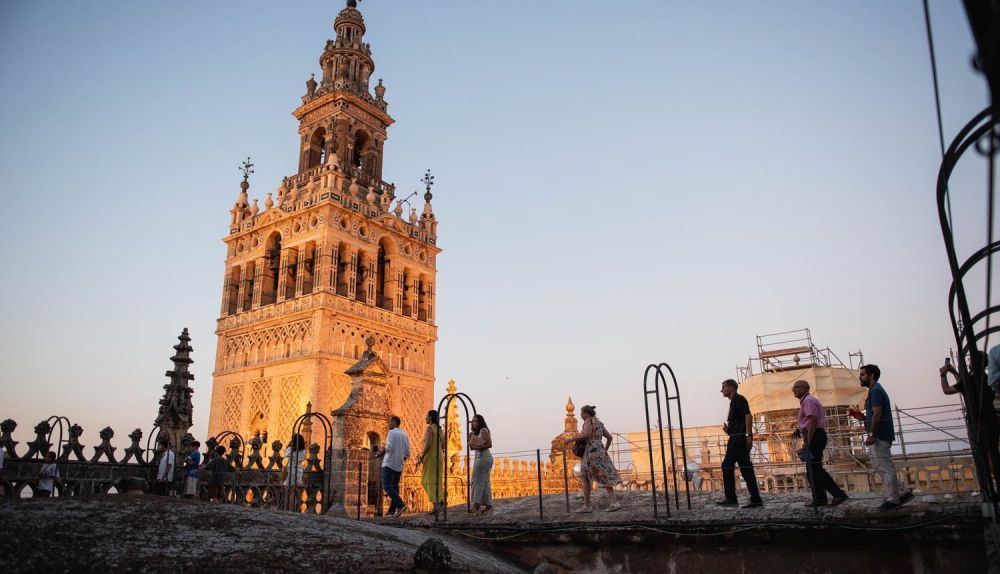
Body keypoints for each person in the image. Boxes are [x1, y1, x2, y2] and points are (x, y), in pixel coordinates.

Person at [860, 364, 914, 510]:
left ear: (872, 376)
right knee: (878, 465)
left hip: (879, 435)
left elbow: (878, 413)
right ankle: (901, 492)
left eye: (863, 374)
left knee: (884, 466)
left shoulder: (876, 391)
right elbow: (874, 414)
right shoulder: (874, 391)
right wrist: (863, 418)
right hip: (878, 434)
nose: (861, 377)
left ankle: (893, 499)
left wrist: (871, 434)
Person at [792, 380, 849, 507]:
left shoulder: (808, 401)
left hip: (815, 435)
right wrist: (800, 429)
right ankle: (820, 498)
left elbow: (812, 421)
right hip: (814, 435)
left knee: (815, 468)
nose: (794, 390)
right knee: (812, 468)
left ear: (804, 389)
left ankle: (838, 494)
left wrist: (808, 442)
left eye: (797, 388)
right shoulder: (807, 401)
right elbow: (808, 421)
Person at [564, 405, 621, 513]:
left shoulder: (588, 421)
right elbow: (609, 438)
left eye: (582, 413)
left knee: (586, 477)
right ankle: (613, 502)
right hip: (600, 451)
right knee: (603, 476)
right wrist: (604, 449)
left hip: (590, 452)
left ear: (586, 413)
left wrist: (570, 440)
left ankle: (588, 506)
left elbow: (586, 434)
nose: (581, 415)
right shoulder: (599, 423)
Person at [716, 379, 763, 508]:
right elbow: (739, 421)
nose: (722, 390)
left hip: (738, 440)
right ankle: (755, 498)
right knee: (745, 468)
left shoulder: (738, 399)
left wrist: (748, 435)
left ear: (731, 387)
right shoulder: (734, 401)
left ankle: (732, 498)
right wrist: (729, 430)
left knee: (728, 466)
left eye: (724, 387)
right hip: (736, 437)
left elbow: (748, 416)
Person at [373, 415, 410, 517]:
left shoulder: (392, 433)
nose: (388, 424)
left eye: (389, 422)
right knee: (394, 487)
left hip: (389, 464)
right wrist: (400, 460)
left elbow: (388, 447)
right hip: (399, 465)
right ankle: (391, 511)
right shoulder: (405, 435)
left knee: (387, 486)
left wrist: (379, 454)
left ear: (394, 422)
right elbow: (407, 453)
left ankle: (401, 505)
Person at [414, 410, 445, 515]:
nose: (425, 418)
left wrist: (421, 457)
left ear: (431, 417)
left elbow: (428, 444)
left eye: (427, 416)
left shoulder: (430, 428)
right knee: (437, 480)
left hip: (431, 457)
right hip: (439, 457)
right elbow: (444, 445)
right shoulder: (440, 430)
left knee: (426, 480)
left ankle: (437, 502)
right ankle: (439, 501)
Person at [468, 414, 493, 515]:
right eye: (473, 421)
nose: (474, 423)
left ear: (480, 422)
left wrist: (479, 445)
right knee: (485, 481)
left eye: (476, 421)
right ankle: (488, 505)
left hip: (484, 458)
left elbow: (489, 444)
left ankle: (476, 505)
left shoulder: (483, 430)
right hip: (479, 457)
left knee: (476, 481)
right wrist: (471, 439)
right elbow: (472, 448)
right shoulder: (474, 433)